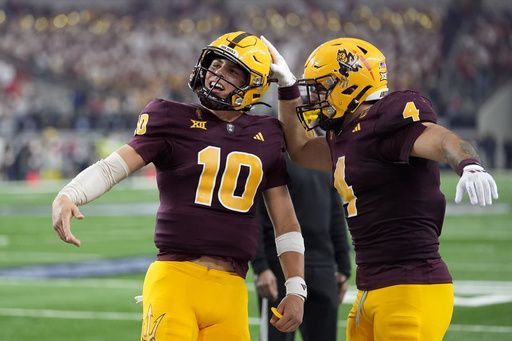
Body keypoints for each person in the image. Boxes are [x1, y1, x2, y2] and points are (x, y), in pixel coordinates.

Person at [51, 31, 306, 341]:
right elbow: (112, 167)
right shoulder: (171, 117)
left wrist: (296, 288)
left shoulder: (267, 133)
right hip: (176, 278)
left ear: (253, 84)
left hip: (233, 287)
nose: (217, 75)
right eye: (216, 66)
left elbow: (286, 221)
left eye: (232, 71)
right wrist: (69, 194)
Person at [261, 36, 499, 341]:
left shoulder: (387, 124)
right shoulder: (346, 136)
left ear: (350, 84)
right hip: (369, 290)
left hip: (410, 288)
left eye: (323, 88)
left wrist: (469, 163)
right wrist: (287, 87)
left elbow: (442, 140)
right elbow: (301, 148)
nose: (316, 97)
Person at [252, 143, 352, 341]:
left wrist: (344, 268)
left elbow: (335, 215)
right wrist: (261, 267)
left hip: (323, 267)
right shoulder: (274, 157)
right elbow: (256, 216)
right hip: (281, 267)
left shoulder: (323, 158)